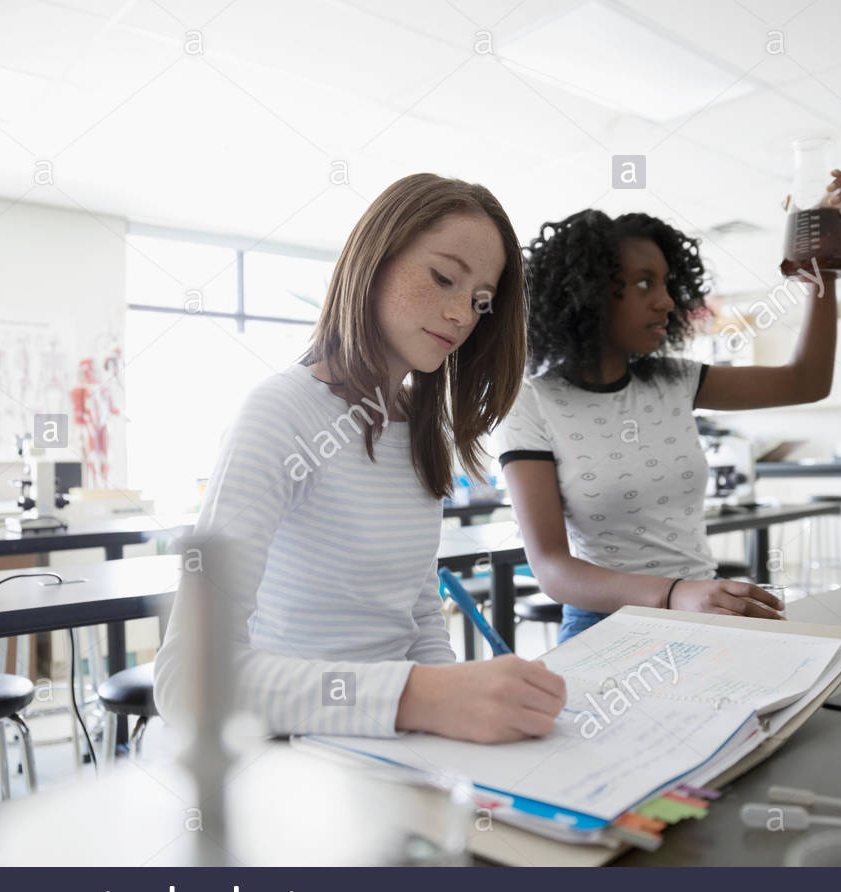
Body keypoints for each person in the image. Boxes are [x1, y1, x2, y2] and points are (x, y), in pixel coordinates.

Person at [154, 173, 567, 743]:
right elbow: (187, 680)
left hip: (394, 746)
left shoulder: (421, 430)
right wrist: (422, 698)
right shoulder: (280, 412)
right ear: (375, 260)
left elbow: (418, 617)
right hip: (299, 749)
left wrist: (460, 716)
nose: (460, 316)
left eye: (478, 302)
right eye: (443, 278)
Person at [499, 173, 841, 642]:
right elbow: (552, 569)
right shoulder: (532, 404)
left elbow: (807, 381)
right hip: (606, 625)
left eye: (668, 284)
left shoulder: (675, 380)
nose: (667, 301)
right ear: (587, 294)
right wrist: (672, 594)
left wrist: (822, 265)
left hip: (702, 612)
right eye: (645, 283)